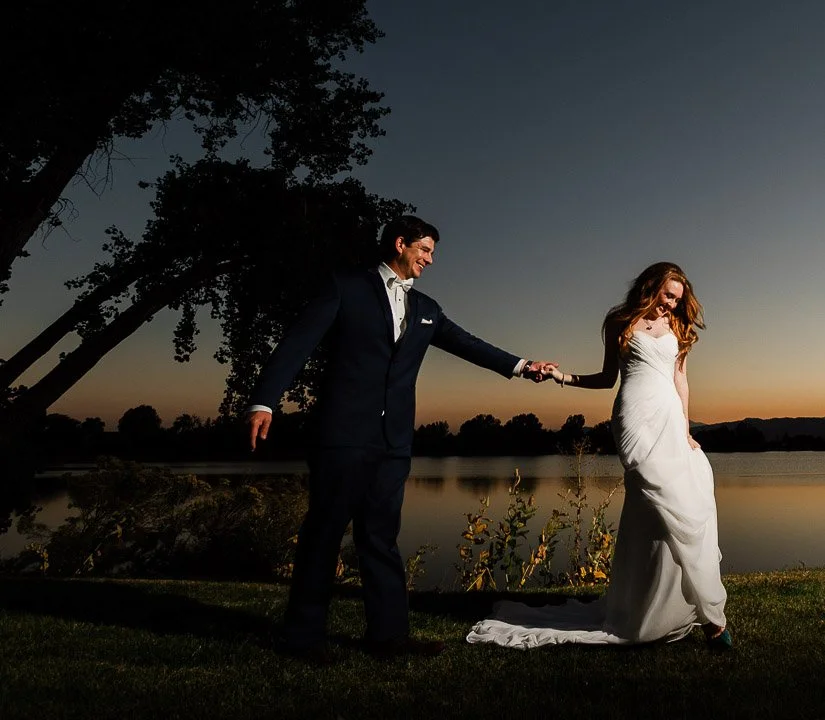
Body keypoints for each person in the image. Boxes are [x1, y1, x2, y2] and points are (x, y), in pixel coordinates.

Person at [246, 215, 555, 664]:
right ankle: (302, 638)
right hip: (343, 435)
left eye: (432, 253)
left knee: (380, 537)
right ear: (400, 244)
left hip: (393, 442)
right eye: (424, 250)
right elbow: (298, 343)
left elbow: (469, 344)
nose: (430, 260)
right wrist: (264, 401)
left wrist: (524, 366)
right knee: (324, 534)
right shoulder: (346, 287)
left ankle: (388, 636)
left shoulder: (426, 307)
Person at [466, 261, 730, 649]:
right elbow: (607, 379)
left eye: (677, 299)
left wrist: (686, 429)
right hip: (634, 419)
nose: (671, 304)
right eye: (667, 295)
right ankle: (684, 616)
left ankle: (682, 609)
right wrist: (562, 377)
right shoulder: (619, 321)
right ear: (651, 287)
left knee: (683, 506)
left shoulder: (678, 326)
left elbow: (680, 379)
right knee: (654, 505)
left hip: (670, 419)